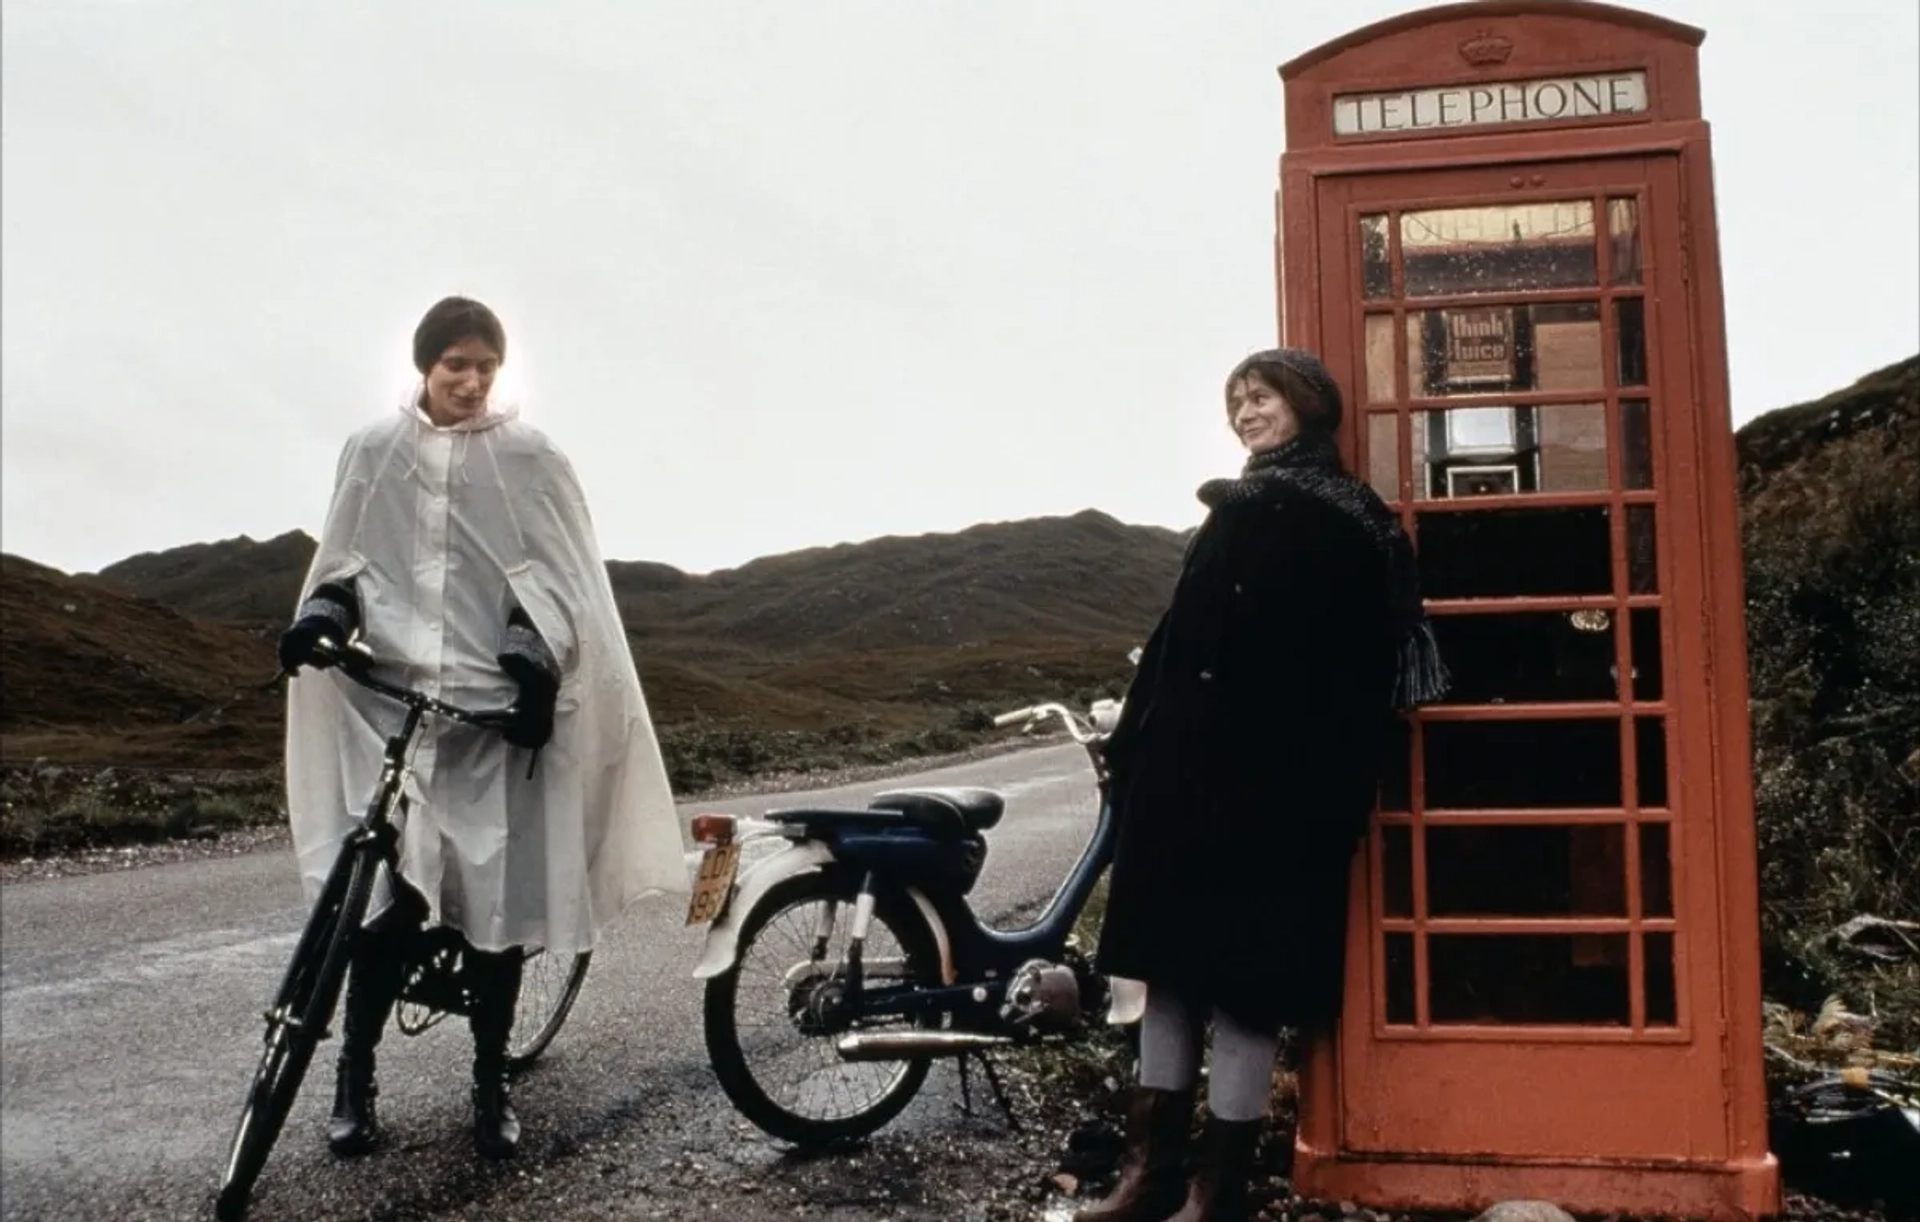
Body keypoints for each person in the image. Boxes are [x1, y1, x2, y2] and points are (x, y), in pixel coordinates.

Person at [278, 296, 686, 1160]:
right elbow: (347, 557)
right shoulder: (372, 451)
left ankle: (489, 1077)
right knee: (383, 904)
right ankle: (355, 1072)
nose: (470, 381)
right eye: (454, 363)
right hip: (388, 705)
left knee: (496, 910)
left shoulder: (531, 458)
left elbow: (565, 581)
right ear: (424, 365)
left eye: (486, 366)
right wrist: (323, 610)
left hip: (490, 717)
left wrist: (535, 653)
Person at [1078, 348, 1448, 1222]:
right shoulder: (1236, 504)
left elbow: (1353, 675)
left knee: (1245, 992)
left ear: (1307, 406)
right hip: (1182, 787)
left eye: (1263, 396)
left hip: (1272, 797)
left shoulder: (1345, 518)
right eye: (1235, 399)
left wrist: (1323, 793)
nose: (1246, 410)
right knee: (1165, 975)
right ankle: (1149, 1177)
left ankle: (1217, 1192)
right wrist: (1137, 753)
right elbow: (1179, 649)